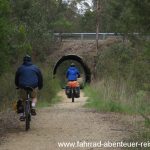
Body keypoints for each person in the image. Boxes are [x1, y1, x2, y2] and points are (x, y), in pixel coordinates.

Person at [15, 55, 43, 121]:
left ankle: (22, 115)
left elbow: (16, 78)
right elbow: (40, 78)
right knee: (34, 97)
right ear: (30, 60)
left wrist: (17, 85)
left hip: (22, 86)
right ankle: (33, 106)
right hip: (33, 86)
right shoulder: (36, 68)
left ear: (23, 60)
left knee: (22, 99)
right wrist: (40, 86)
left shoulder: (20, 68)